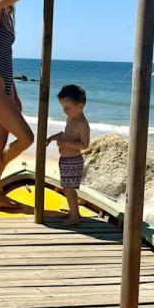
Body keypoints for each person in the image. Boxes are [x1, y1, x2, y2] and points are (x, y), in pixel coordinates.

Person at [0, 0, 79, 211]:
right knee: (26, 137)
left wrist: (14, 92)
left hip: (4, 84)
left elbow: (5, 56)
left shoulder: (5, 14)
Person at [46, 84, 90, 225]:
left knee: (69, 189)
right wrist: (52, 138)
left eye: (68, 108)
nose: (65, 111)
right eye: (63, 108)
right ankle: (74, 212)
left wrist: (65, 144)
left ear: (80, 106)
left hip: (73, 161)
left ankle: (75, 216)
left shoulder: (82, 124)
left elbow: (84, 144)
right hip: (65, 161)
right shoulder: (71, 118)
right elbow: (65, 134)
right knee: (66, 188)